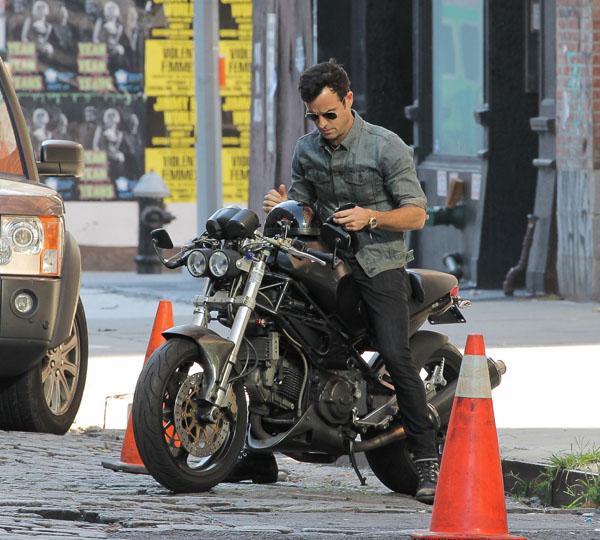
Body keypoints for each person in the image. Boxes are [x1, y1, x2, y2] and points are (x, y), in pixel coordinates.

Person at [256, 60, 437, 503]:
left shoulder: (385, 146)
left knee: (395, 354)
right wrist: (287, 205)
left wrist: (371, 216)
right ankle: (253, 444)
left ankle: (428, 458)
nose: (323, 125)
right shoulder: (307, 150)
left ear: (348, 100)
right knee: (277, 323)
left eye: (330, 115)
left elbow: (417, 212)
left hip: (379, 263)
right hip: (328, 262)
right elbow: (308, 207)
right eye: (314, 117)